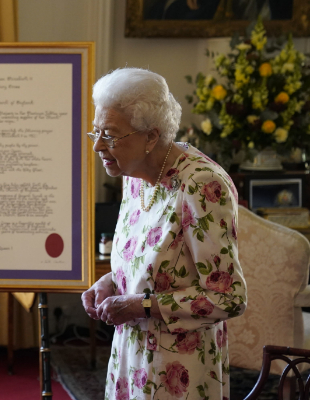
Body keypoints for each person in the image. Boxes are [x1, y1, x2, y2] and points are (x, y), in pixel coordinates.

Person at [81, 68, 247, 400]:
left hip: (178, 368)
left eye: (110, 134)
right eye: (96, 131)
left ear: (151, 137)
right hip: (131, 354)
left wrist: (140, 305)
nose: (98, 145)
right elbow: (145, 259)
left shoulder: (201, 185)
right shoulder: (134, 171)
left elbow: (229, 298)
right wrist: (111, 281)